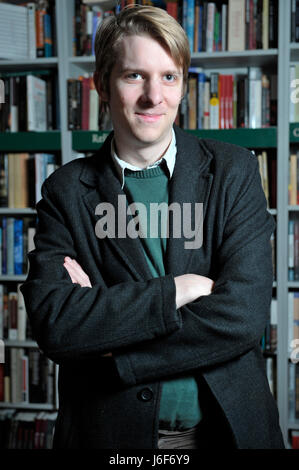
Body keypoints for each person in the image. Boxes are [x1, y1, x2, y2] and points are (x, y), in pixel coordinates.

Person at [21, 5, 284, 449]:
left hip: (227, 431)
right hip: (113, 438)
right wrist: (175, 290)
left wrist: (112, 350)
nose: (153, 96)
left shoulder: (233, 171)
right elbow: (56, 325)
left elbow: (242, 315)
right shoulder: (66, 190)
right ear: (102, 84)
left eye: (168, 76)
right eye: (133, 76)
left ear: (182, 84)